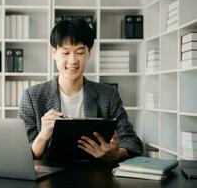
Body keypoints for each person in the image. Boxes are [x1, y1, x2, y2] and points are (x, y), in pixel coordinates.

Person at [18, 19, 143, 161]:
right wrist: (43, 135)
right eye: (65, 53)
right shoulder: (32, 96)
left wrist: (116, 154)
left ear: (89, 53)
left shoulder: (108, 95)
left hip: (96, 177)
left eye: (79, 52)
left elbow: (133, 143)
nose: (72, 60)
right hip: (49, 178)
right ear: (54, 53)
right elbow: (21, 154)